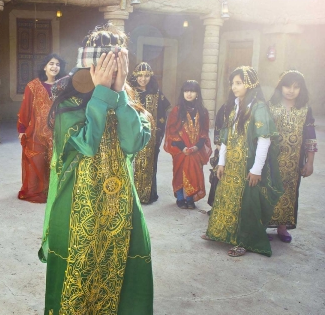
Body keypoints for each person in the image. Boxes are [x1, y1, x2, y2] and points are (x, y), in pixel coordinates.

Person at [40, 25, 153, 314]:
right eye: (103, 66)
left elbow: (132, 143)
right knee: (77, 277)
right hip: (77, 209)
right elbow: (88, 145)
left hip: (122, 209)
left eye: (116, 67)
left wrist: (118, 95)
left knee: (121, 274)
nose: (109, 72)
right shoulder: (69, 106)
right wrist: (102, 94)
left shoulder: (132, 107)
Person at [203, 66, 283, 257]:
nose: (234, 87)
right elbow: (226, 137)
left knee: (247, 204)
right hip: (231, 165)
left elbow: (265, 140)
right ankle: (220, 232)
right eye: (232, 83)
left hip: (247, 167)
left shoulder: (259, 108)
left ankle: (244, 241)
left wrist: (256, 169)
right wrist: (221, 162)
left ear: (250, 83)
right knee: (225, 199)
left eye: (238, 83)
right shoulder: (235, 106)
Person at [268, 70, 317, 243]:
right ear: (280, 86)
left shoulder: (305, 109)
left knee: (289, 192)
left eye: (296, 87)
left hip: (294, 161)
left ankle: (282, 226)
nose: (291, 90)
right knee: (267, 190)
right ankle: (260, 225)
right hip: (271, 160)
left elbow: (310, 137)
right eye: (287, 85)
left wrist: (309, 162)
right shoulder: (270, 106)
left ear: (301, 89)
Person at [17, 53, 67, 202]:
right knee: (37, 161)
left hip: (58, 131)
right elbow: (25, 109)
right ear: (45, 67)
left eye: (58, 64)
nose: (54, 67)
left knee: (55, 161)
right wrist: (21, 129)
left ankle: (55, 190)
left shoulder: (64, 86)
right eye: (51, 63)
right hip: (36, 133)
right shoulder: (32, 86)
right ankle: (38, 190)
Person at [164, 80, 211, 209]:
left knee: (194, 173)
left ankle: (190, 198)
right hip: (180, 150)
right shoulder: (177, 110)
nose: (189, 94)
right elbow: (171, 131)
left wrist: (196, 147)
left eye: (192, 91)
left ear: (197, 93)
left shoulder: (203, 112)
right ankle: (180, 198)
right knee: (179, 172)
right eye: (186, 91)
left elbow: (204, 132)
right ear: (183, 93)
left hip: (196, 149)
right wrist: (182, 147)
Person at [128, 62, 170, 204]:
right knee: (132, 163)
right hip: (133, 135)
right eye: (140, 76)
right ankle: (131, 194)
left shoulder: (156, 93)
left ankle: (147, 194)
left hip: (151, 136)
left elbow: (163, 114)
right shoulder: (130, 92)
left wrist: (158, 134)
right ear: (135, 77)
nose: (143, 79)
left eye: (146, 76)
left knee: (149, 163)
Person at [207, 104, 227, 215]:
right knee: (218, 177)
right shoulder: (224, 108)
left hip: (242, 154)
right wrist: (219, 146)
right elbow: (218, 130)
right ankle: (216, 206)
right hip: (222, 150)